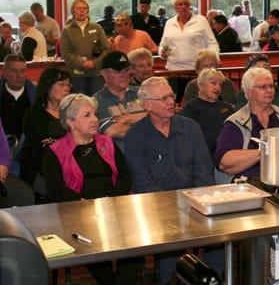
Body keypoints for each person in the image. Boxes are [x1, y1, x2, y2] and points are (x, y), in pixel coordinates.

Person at [124, 76, 215, 285]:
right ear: (148, 105)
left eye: (172, 96)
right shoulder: (135, 137)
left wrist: (197, 203)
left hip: (196, 204)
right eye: (164, 98)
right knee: (169, 259)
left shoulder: (191, 128)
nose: (170, 102)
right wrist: (175, 210)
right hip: (159, 210)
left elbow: (204, 171)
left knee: (220, 247)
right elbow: (144, 184)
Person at [43, 93, 142, 284]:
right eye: (87, 115)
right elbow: (56, 191)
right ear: (71, 122)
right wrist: (85, 205)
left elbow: (124, 176)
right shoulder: (55, 152)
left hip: (114, 206)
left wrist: (112, 200)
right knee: (94, 244)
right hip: (80, 213)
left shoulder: (107, 143)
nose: (96, 119)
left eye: (95, 114)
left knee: (135, 243)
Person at [215, 67, 279, 179]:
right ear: (249, 92)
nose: (269, 90)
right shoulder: (236, 121)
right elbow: (224, 162)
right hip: (248, 185)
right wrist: (265, 152)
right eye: (263, 87)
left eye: (271, 86)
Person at [20, 68, 71, 199]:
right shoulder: (35, 115)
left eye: (68, 84)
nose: (66, 88)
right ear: (48, 86)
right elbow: (43, 148)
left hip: (72, 164)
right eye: (61, 84)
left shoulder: (72, 112)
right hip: (44, 169)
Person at [179, 68, 236, 166]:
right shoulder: (191, 108)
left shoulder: (227, 107)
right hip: (202, 159)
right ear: (201, 85)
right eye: (213, 83)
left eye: (220, 85)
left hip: (228, 156)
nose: (217, 88)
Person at [93, 52, 146, 150]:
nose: (124, 75)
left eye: (126, 70)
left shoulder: (143, 92)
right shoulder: (96, 102)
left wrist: (127, 118)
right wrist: (148, 120)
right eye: (118, 71)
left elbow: (163, 116)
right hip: (120, 158)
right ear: (104, 74)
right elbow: (113, 131)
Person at [159, 0, 219, 71]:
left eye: (186, 4)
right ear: (174, 7)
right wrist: (162, 53)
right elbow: (163, 45)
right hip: (172, 70)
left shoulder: (201, 20)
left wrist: (215, 60)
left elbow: (212, 43)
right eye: (180, 4)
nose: (183, 6)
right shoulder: (169, 23)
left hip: (196, 70)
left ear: (190, 6)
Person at [60, 0, 111, 95]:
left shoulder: (97, 28)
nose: (82, 10)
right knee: (79, 104)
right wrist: (82, 64)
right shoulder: (67, 31)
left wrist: (94, 62)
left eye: (84, 8)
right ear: (73, 11)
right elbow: (65, 53)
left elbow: (106, 49)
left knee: (97, 102)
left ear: (88, 10)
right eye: (78, 8)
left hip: (96, 74)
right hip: (76, 75)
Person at [0, 54, 36, 138]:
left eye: (22, 71)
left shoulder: (37, 95)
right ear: (4, 72)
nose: (19, 75)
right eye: (13, 71)